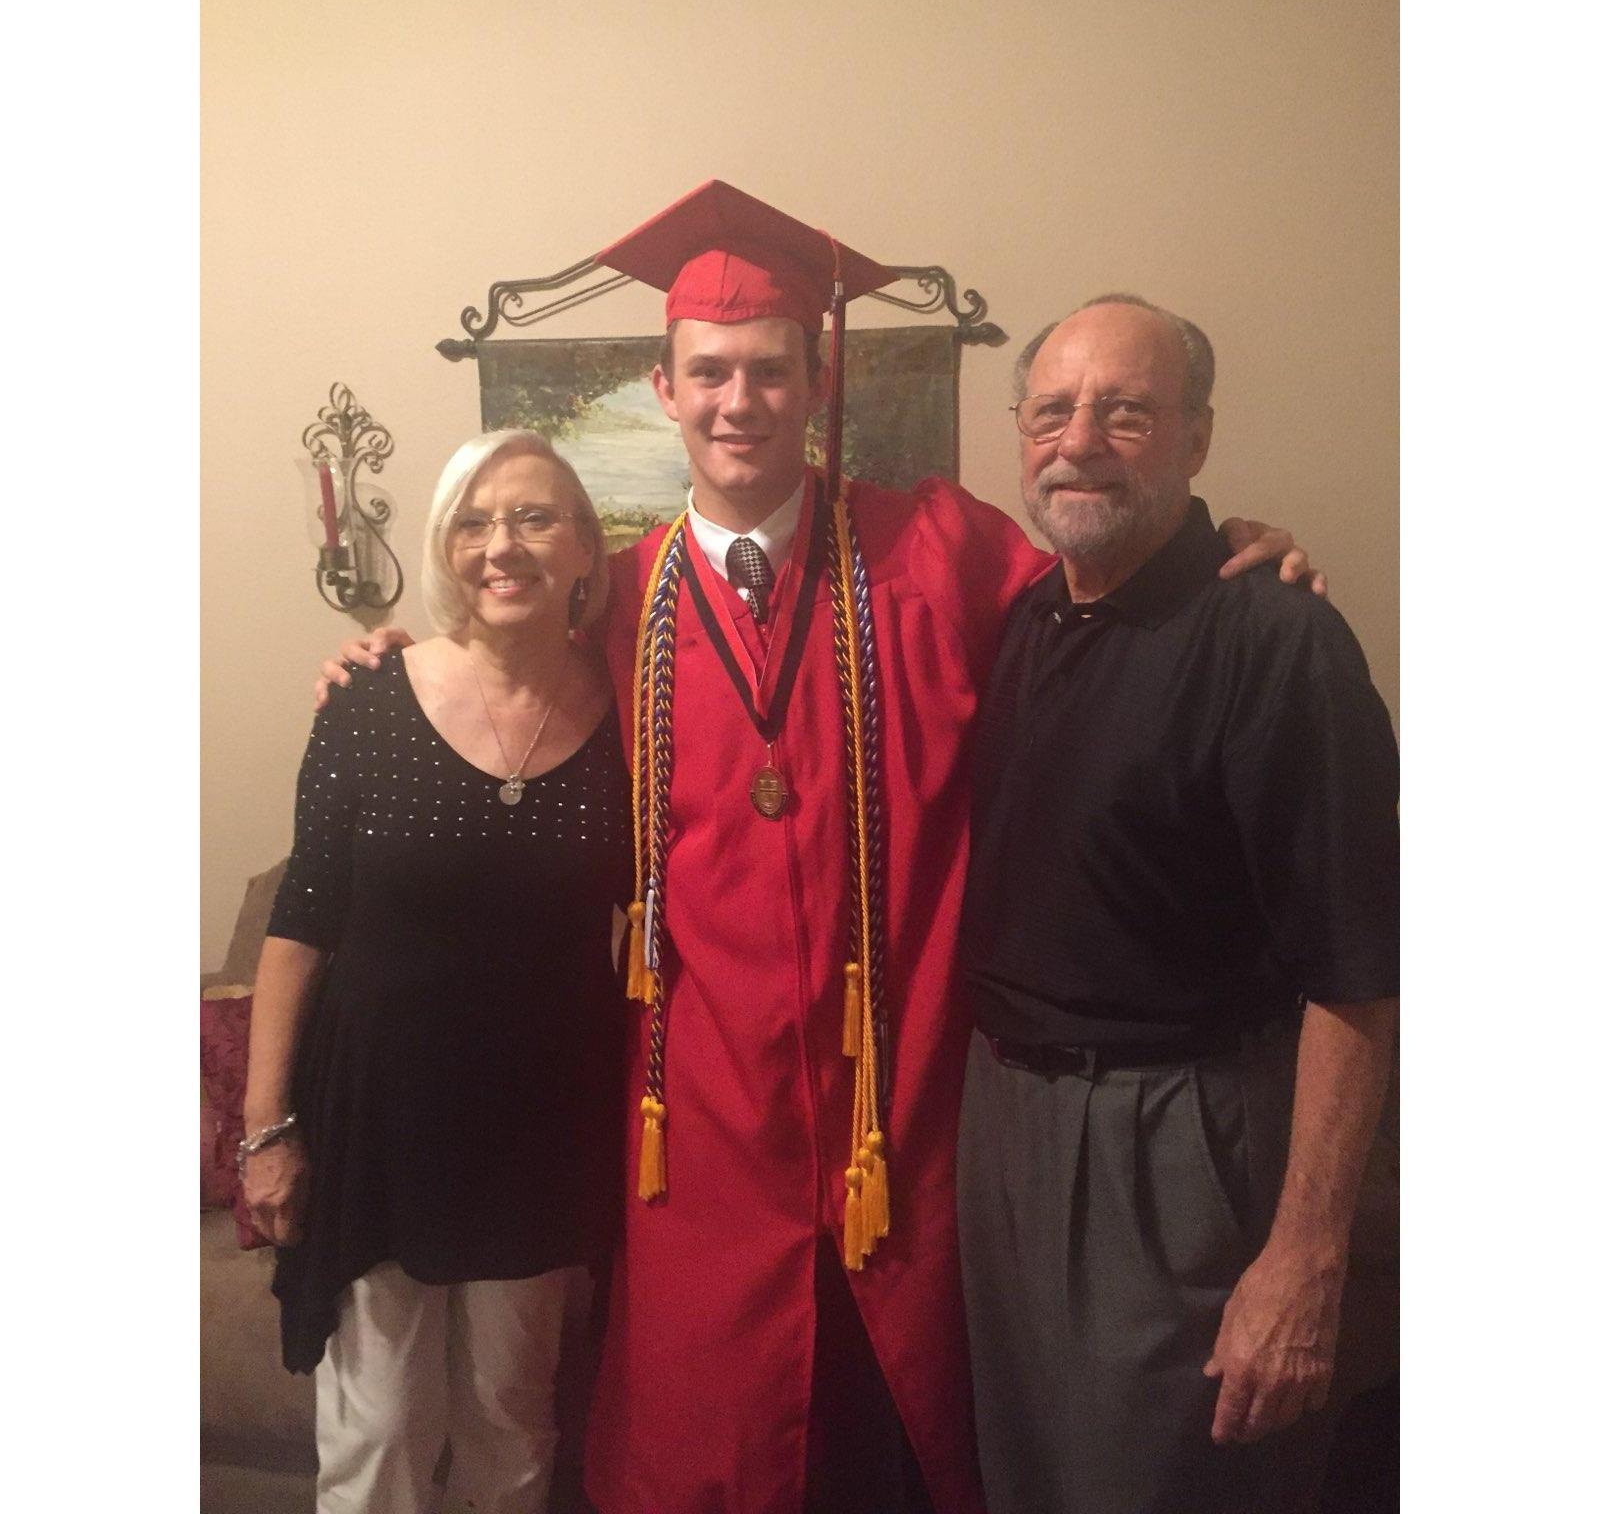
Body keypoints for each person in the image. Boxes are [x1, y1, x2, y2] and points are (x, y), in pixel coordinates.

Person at [316, 182, 1322, 1514]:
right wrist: (390, 658)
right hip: (703, 1134)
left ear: (818, 378)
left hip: (907, 1121)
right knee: (712, 1449)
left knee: (912, 1449)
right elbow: (484, 684)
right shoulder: (606, 600)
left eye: (771, 372)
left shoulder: (940, 551)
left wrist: (1225, 549)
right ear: (665, 389)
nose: (742, 402)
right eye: (712, 373)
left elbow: (1107, 594)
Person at [955, 295, 1399, 1514]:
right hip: (1004, 1129)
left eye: (1126, 412)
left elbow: (1358, 973)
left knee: (1168, 1487)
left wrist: (1307, 1254)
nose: (1079, 438)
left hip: (1179, 1144)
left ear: (1197, 437)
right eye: (1051, 409)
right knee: (1027, 1481)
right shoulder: (1019, 625)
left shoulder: (1278, 640)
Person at [241, 429, 630, 1514]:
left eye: (534, 517)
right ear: (446, 546)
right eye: (474, 520)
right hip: (380, 1118)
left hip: (544, 1125)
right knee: (376, 1430)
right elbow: (302, 917)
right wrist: (267, 1129)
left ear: (587, 549)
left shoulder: (637, 715)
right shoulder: (367, 699)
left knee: (513, 1420)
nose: (502, 545)